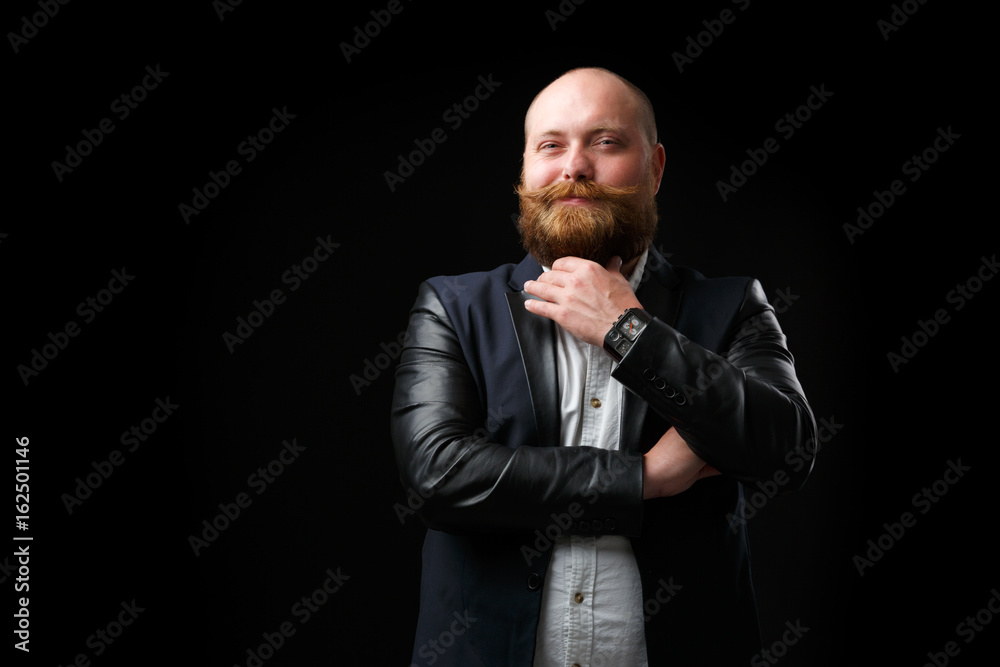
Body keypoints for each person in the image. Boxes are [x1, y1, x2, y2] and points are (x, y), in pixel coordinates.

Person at [391, 66, 816, 667]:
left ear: (657, 167)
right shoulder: (454, 306)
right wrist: (643, 478)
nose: (575, 168)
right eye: (551, 145)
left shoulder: (731, 305)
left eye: (606, 142)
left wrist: (628, 331)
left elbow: (789, 448)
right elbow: (437, 476)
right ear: (525, 170)